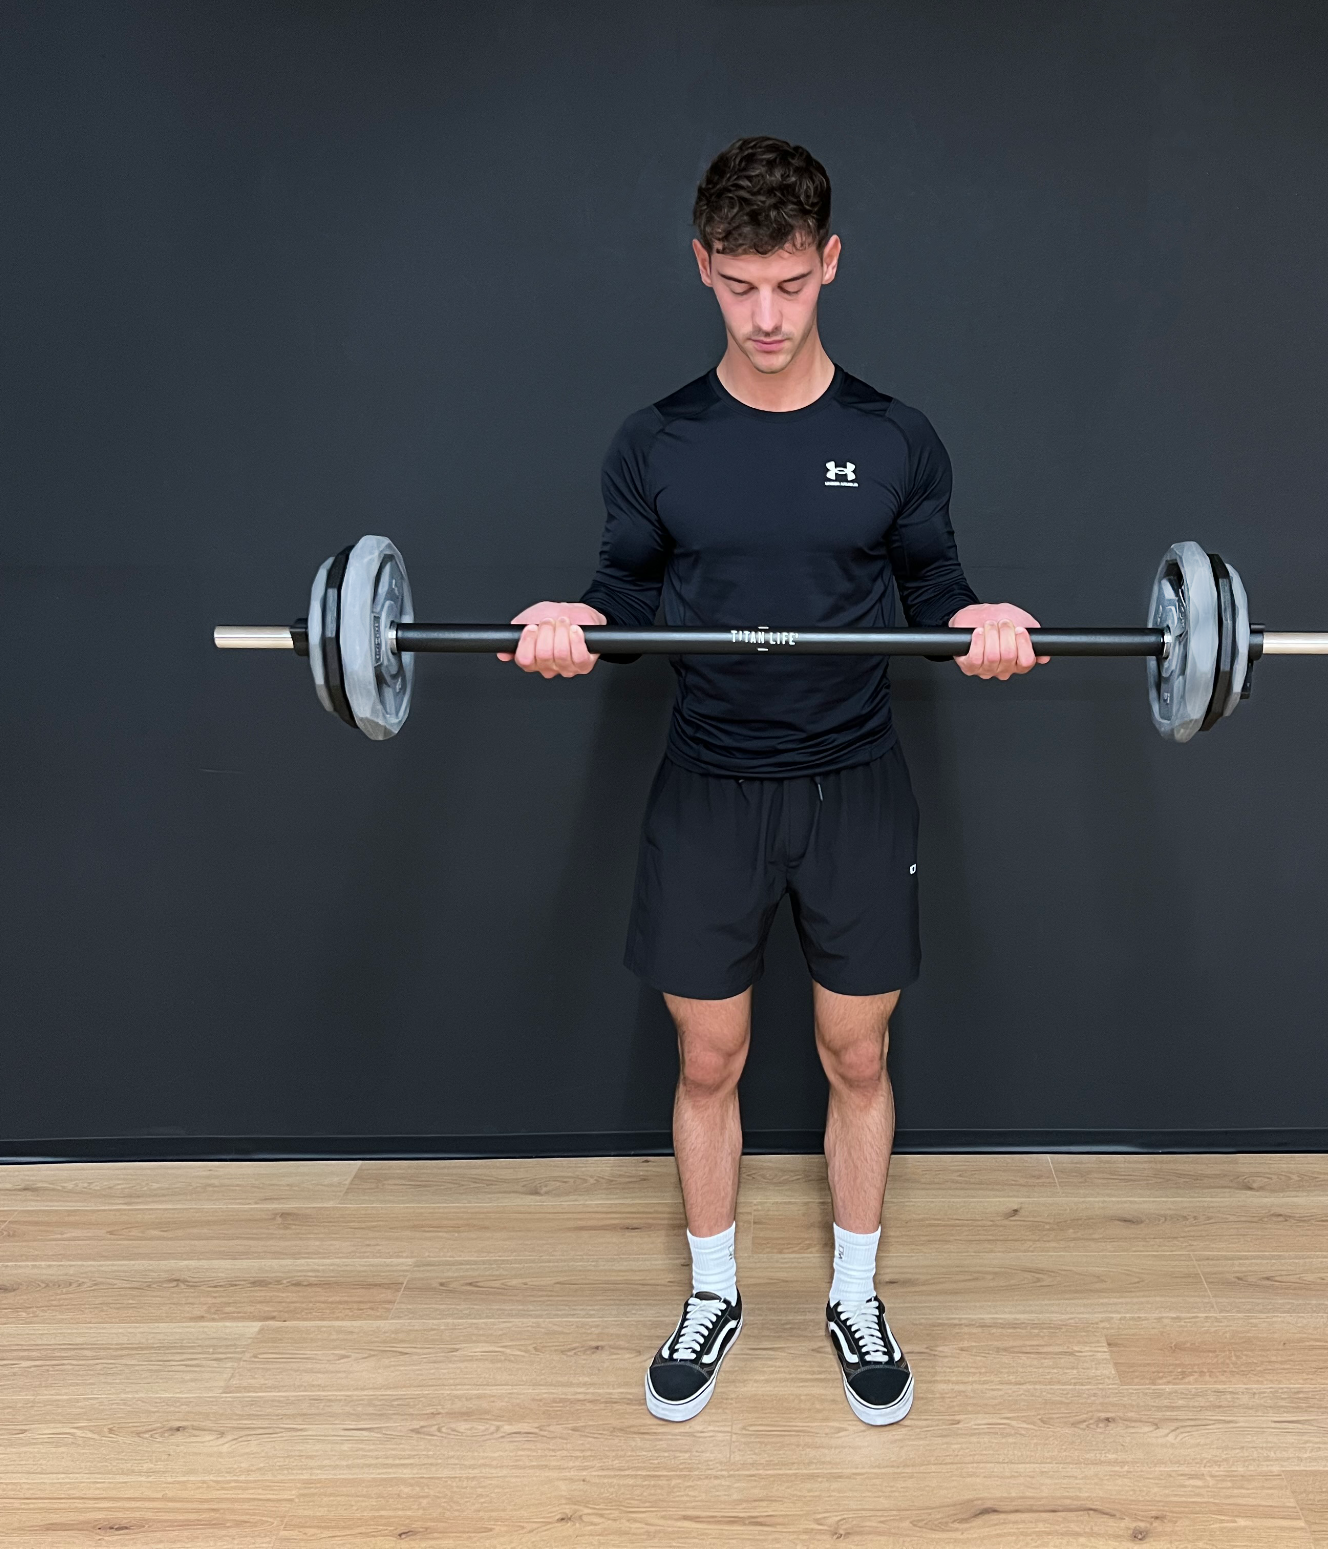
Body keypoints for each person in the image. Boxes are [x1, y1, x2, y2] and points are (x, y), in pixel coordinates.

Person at [503, 136, 1044, 1427]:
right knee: (709, 1058)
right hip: (711, 783)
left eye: (790, 286)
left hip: (854, 781)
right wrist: (573, 621)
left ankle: (855, 1293)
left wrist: (981, 623)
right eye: (741, 285)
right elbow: (625, 588)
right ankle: (714, 1292)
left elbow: (935, 584)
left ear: (830, 264)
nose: (765, 317)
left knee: (858, 1053)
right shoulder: (658, 441)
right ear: (704, 266)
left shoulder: (895, 437)